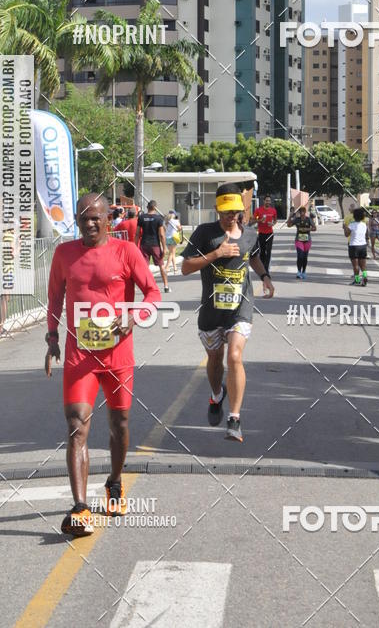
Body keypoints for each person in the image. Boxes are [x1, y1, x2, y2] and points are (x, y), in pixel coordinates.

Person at [46, 193, 161, 537]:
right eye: (84, 217)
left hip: (117, 356)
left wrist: (133, 316)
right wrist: (52, 338)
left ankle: (113, 481)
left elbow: (152, 293)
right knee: (76, 426)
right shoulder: (64, 254)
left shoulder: (126, 252)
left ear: (108, 219)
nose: (90, 223)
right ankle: (80, 508)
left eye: (96, 217)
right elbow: (54, 298)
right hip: (80, 356)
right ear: (77, 221)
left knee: (119, 424)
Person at [181, 183, 274, 442]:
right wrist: (217, 253)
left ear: (241, 210)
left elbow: (253, 257)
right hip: (211, 311)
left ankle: (234, 419)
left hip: (240, 308)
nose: (230, 217)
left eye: (234, 211)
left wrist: (264, 276)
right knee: (214, 359)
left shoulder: (250, 235)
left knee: (234, 356)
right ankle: (216, 395)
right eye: (225, 212)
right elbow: (186, 267)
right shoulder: (204, 233)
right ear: (217, 210)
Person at [136, 200, 170, 292]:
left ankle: (146, 287)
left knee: (145, 267)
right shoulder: (159, 219)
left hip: (144, 245)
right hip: (155, 245)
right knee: (161, 266)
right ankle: (166, 286)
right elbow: (162, 235)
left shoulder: (141, 217)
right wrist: (164, 247)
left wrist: (135, 246)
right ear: (155, 207)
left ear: (147, 207)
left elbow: (137, 234)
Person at [287, 204, 317, 279]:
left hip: (307, 240)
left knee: (305, 257)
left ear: (305, 212)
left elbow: (314, 228)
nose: (302, 212)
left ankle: (304, 272)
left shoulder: (308, 219)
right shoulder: (297, 219)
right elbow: (289, 225)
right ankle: (298, 271)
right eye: (301, 211)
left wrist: (307, 229)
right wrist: (290, 216)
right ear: (299, 212)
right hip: (298, 240)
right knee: (300, 255)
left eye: (303, 211)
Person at [252, 195, 278, 275]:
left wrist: (272, 224)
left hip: (270, 233)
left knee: (268, 251)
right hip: (261, 233)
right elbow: (253, 220)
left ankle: (266, 269)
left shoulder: (273, 210)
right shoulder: (258, 210)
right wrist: (260, 220)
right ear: (264, 201)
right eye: (266, 200)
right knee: (262, 252)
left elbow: (275, 220)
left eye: (269, 201)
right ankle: (262, 267)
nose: (268, 202)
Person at [344, 208, 369, 286]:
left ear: (354, 216)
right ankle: (365, 276)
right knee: (363, 265)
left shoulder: (352, 224)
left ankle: (357, 280)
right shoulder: (364, 224)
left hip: (354, 246)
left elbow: (346, 234)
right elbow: (367, 235)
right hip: (363, 246)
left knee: (356, 265)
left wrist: (345, 227)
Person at [164, 209, 182, 275]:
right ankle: (167, 267)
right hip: (173, 238)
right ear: (173, 214)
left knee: (173, 253)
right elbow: (180, 229)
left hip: (167, 238)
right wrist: (179, 222)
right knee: (171, 254)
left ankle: (175, 268)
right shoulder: (175, 221)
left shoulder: (166, 221)